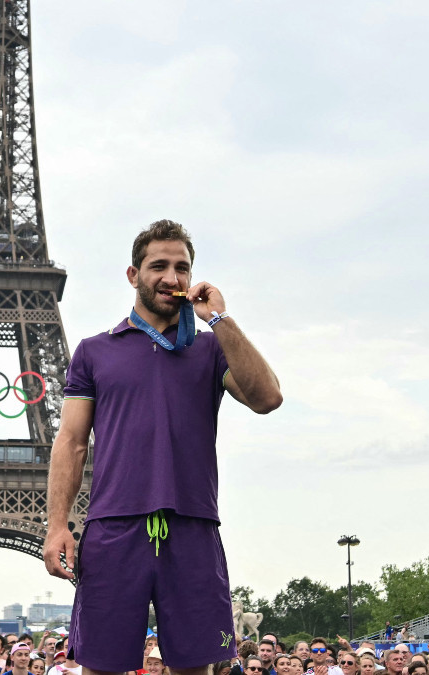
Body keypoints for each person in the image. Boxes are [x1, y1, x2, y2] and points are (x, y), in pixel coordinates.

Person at [45, 220, 281, 675]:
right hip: (114, 526)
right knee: (101, 668)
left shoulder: (211, 349)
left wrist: (221, 319)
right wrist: (58, 524)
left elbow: (267, 397)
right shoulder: (95, 351)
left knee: (196, 669)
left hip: (192, 524)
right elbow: (72, 442)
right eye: (158, 266)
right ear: (134, 275)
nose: (171, 278)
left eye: (182, 268)